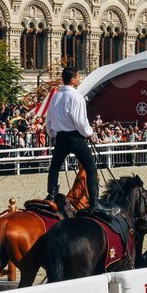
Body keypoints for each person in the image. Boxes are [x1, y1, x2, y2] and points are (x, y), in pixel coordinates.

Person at [45, 67, 99, 209]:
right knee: (91, 168)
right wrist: (89, 133)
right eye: (78, 77)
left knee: (55, 167)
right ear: (73, 80)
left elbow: (48, 119)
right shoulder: (76, 97)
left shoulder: (55, 97)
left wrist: (53, 134)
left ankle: (51, 194)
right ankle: (94, 203)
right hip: (75, 136)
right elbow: (80, 122)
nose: (79, 79)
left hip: (60, 137)